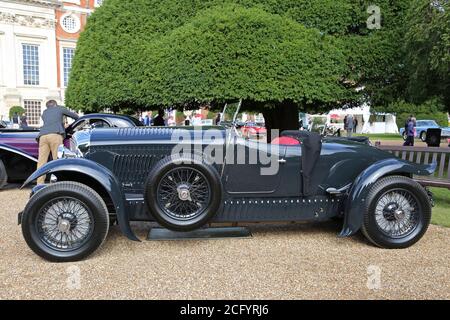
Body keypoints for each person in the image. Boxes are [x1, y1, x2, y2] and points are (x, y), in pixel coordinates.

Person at [36, 100, 79, 184]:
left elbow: (51, 121)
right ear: (56, 105)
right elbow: (75, 116)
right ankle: (57, 182)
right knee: (57, 160)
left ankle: (39, 183)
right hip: (55, 135)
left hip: (42, 136)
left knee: (41, 161)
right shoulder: (60, 109)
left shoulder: (44, 112)